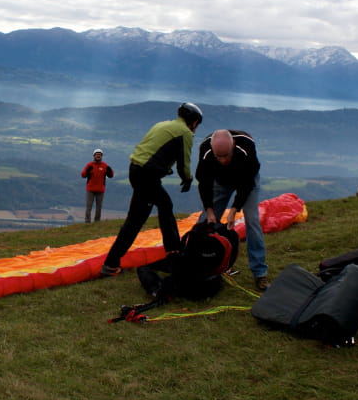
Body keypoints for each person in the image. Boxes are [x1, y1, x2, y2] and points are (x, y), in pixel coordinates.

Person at [100, 102, 203, 277]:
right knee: (163, 206)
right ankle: (174, 252)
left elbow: (151, 151)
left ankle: (111, 264)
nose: (196, 128)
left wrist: (163, 168)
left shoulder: (162, 124)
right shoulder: (185, 133)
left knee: (137, 219)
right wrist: (187, 179)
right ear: (193, 122)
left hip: (136, 170)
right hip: (147, 175)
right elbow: (184, 162)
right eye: (197, 124)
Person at [195, 129, 271, 291]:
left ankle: (259, 273)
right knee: (204, 223)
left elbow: (247, 184)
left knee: (252, 221)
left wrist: (234, 209)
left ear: (233, 146)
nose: (222, 160)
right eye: (219, 157)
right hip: (220, 182)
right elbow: (204, 183)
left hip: (245, 180)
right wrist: (209, 211)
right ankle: (198, 266)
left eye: (226, 156)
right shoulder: (206, 152)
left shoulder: (246, 147)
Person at [81, 149, 114, 223]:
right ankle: (87, 221)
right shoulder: (89, 165)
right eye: (97, 154)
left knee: (99, 207)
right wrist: (87, 171)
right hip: (90, 189)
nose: (98, 156)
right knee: (89, 206)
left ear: (102, 156)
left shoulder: (105, 165)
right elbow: (83, 175)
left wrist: (110, 170)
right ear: (94, 156)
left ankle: (97, 221)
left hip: (100, 189)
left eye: (100, 154)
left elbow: (111, 175)